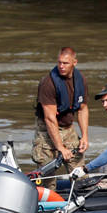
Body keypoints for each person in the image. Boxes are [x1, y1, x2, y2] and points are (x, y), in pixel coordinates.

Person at [32, 46, 89, 189]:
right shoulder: (48, 83)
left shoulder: (80, 79)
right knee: (48, 177)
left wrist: (85, 136)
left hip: (68, 128)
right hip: (48, 129)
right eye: (59, 63)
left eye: (66, 63)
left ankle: (81, 197)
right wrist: (60, 148)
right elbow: (50, 119)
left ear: (74, 63)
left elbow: (82, 109)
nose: (61, 66)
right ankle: (47, 202)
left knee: (79, 172)